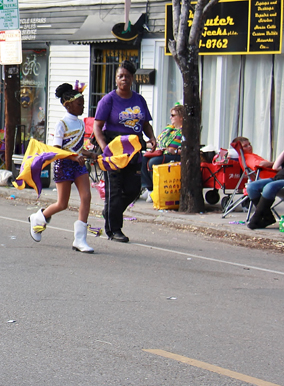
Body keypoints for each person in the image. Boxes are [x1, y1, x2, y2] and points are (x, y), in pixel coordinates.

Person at [93, 59, 157, 243]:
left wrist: (151, 137)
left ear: (132, 79)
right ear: (115, 79)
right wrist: (105, 148)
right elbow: (98, 127)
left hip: (134, 148)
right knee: (115, 190)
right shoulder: (108, 100)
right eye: (120, 76)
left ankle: (110, 212)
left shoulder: (139, 100)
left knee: (133, 188)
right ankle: (114, 230)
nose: (124, 79)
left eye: (127, 77)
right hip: (114, 149)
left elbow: (145, 124)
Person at [29, 83, 95, 253]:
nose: (82, 106)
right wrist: (74, 156)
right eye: (79, 104)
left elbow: (78, 149)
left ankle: (80, 239)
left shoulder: (80, 124)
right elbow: (56, 150)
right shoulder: (62, 124)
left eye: (83, 103)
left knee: (86, 197)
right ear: (68, 105)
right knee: (62, 203)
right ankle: (40, 216)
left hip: (78, 166)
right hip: (64, 165)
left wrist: (89, 154)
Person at [141, 103, 184, 193]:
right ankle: (149, 188)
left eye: (173, 115)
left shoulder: (184, 131)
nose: (170, 117)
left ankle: (155, 189)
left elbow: (187, 150)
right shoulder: (168, 129)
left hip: (175, 155)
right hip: (160, 152)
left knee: (153, 161)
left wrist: (175, 151)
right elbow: (158, 143)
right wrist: (144, 145)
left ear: (181, 117)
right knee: (141, 158)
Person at [245, 149, 284, 229]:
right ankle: (268, 217)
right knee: (251, 187)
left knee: (269, 187)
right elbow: (275, 167)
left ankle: (256, 217)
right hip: (277, 178)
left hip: (278, 183)